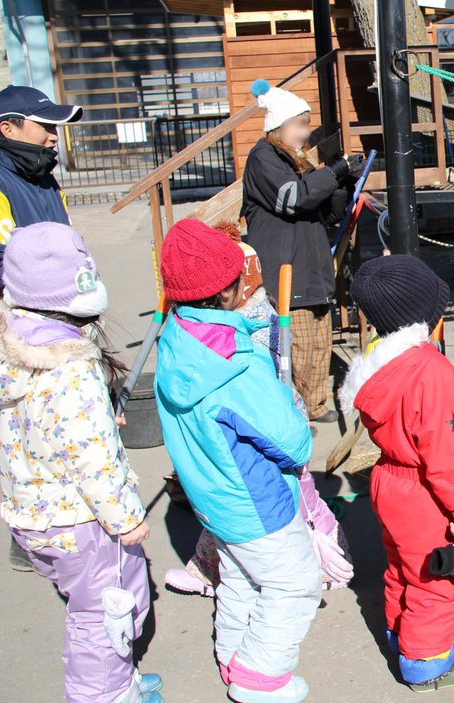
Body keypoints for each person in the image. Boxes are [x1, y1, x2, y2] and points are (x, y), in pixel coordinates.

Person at [0, 222, 162, 703]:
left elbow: (38, 419)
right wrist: (126, 519)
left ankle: (117, 682)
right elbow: (92, 457)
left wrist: (96, 415)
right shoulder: (72, 364)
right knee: (102, 617)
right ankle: (104, 695)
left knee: (88, 604)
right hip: (81, 519)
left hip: (32, 513)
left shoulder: (7, 347)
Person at [154, 219, 320, 703]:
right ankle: (259, 677)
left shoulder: (176, 338)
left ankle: (232, 653)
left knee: (243, 576)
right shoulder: (235, 365)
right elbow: (293, 443)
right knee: (294, 583)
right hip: (256, 498)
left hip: (212, 494)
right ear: (229, 291)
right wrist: (289, 404)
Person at [163, 223, 353, 598]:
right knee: (244, 517)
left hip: (264, 428)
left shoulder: (241, 325)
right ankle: (208, 571)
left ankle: (333, 557)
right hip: (238, 462)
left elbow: (282, 428)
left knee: (305, 500)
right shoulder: (212, 340)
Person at [340, 255, 454, 691]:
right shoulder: (432, 371)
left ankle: (405, 634)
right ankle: (427, 662)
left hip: (389, 478)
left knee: (403, 566)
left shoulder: (377, 363)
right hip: (424, 490)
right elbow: (444, 451)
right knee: (435, 578)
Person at [0, 85, 84, 571]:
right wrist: (52, 263)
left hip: (59, 327)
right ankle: (29, 536)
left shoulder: (43, 178)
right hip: (11, 335)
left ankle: (65, 523)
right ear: (9, 128)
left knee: (63, 430)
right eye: (45, 126)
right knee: (25, 437)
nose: (54, 136)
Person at [241, 79, 355, 423]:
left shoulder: (297, 162)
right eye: (300, 125)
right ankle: (295, 411)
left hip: (312, 267)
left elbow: (327, 213)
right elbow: (294, 198)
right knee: (297, 347)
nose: (306, 134)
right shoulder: (264, 158)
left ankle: (316, 404)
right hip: (286, 269)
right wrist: (333, 173)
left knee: (320, 342)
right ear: (280, 126)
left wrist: (342, 182)